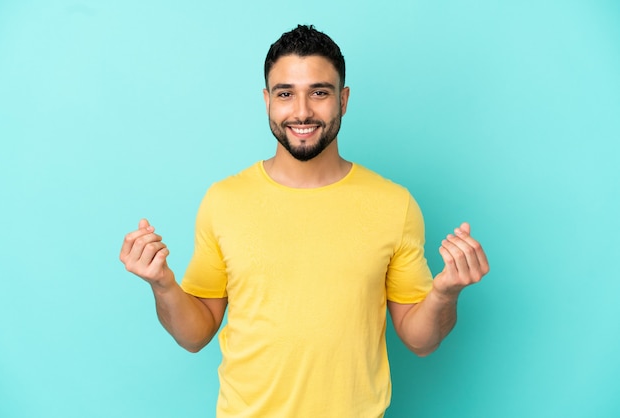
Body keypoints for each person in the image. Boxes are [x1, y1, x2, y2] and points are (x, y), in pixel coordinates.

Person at [120, 24, 489, 418]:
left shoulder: (394, 205)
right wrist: (163, 285)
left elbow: (421, 341)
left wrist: (446, 293)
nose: (301, 111)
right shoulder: (224, 201)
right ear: (266, 100)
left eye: (319, 92)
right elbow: (195, 335)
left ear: (343, 100)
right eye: (285, 93)